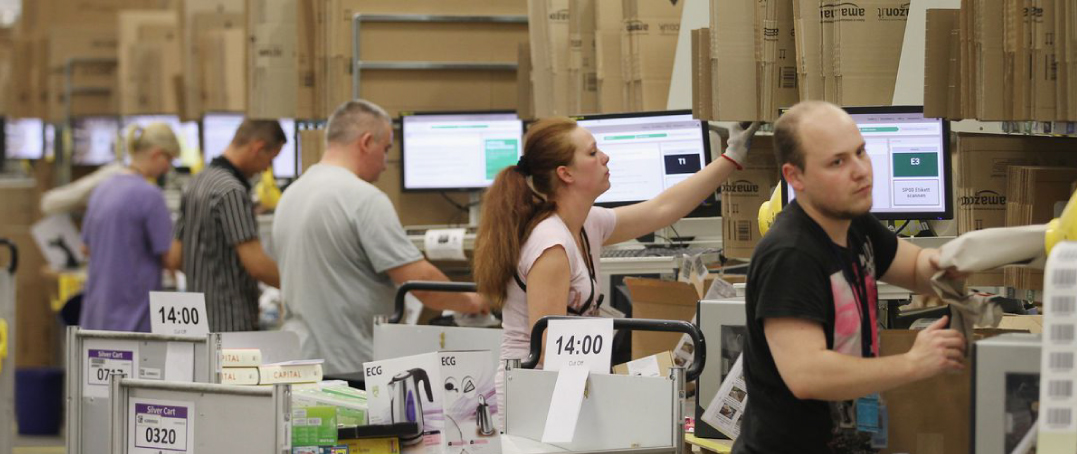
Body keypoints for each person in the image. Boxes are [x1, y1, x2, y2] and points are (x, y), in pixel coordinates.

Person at [473, 116, 760, 409]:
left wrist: (730, 157)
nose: (605, 157)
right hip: (534, 400)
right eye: (593, 152)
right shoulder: (551, 245)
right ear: (566, 174)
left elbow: (661, 209)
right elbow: (550, 352)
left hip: (564, 388)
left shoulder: (586, 223)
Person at [733, 101, 966, 454]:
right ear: (795, 176)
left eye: (861, 152)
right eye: (837, 162)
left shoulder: (853, 223)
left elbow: (917, 268)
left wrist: (958, 259)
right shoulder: (791, 255)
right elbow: (808, 375)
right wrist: (912, 363)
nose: (861, 171)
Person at [272, 100, 487, 375]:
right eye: (385, 149)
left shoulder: (291, 195)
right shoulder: (364, 199)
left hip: (300, 364)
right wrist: (474, 302)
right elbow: (423, 286)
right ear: (365, 142)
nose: (386, 165)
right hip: (351, 367)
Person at [166, 119, 284, 332]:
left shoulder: (195, 182)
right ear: (258, 148)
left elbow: (175, 257)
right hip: (231, 324)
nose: (266, 168)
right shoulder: (231, 191)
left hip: (197, 322)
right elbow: (256, 264)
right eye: (270, 159)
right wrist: (298, 288)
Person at [80, 123, 180, 332]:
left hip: (98, 314)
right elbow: (170, 258)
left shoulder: (102, 189)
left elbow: (85, 248)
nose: (168, 168)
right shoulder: (150, 196)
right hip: (133, 317)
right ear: (157, 154)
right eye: (169, 160)